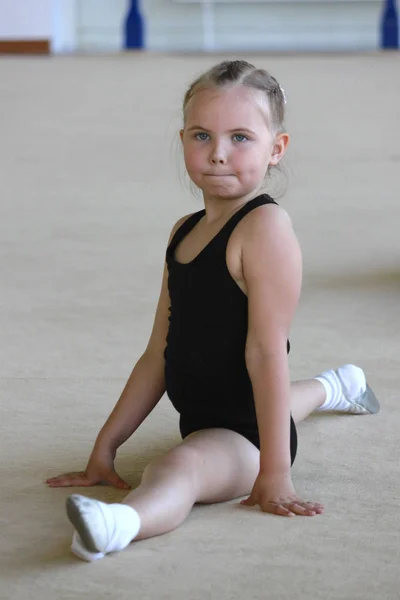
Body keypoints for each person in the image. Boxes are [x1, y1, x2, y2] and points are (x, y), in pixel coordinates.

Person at [46, 60, 380, 562]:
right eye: (201, 135)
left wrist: (275, 473)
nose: (218, 154)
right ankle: (339, 385)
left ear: (276, 149)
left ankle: (121, 524)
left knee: (177, 467)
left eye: (241, 137)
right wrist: (106, 446)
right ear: (182, 138)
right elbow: (159, 351)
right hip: (210, 409)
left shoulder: (265, 228)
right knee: (280, 402)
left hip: (243, 436)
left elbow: (267, 354)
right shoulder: (183, 229)